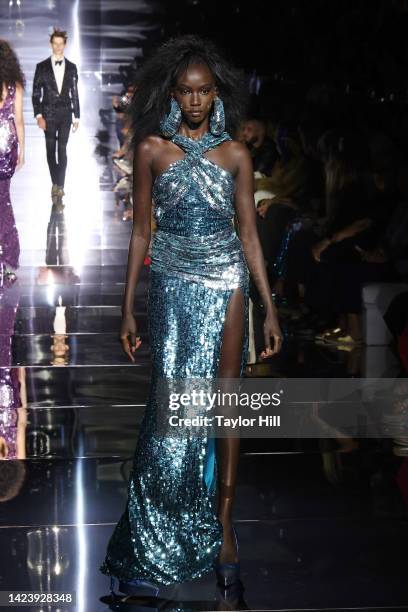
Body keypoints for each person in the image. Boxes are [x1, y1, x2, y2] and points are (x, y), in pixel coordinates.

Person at [100, 35, 282, 600]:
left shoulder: (236, 156)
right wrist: (127, 306)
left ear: (217, 93)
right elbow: (140, 232)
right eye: (186, 91)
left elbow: (249, 234)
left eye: (204, 91)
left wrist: (269, 309)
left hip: (227, 280)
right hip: (173, 285)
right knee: (170, 407)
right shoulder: (152, 149)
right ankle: (156, 537)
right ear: (172, 94)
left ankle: (224, 528)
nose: (196, 100)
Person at [32, 29, 80, 207]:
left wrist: (77, 117)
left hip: (66, 114)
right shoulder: (41, 67)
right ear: (51, 44)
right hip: (48, 115)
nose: (58, 47)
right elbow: (36, 93)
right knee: (51, 151)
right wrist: (38, 115)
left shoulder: (72, 67)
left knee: (62, 150)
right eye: (55, 43)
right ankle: (55, 183)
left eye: (61, 43)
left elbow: (74, 93)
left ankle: (60, 185)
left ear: (65, 45)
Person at [0, 39, 25, 285]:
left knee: (3, 202)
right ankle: (9, 260)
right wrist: (23, 150)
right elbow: (18, 121)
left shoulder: (13, 87)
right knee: (4, 201)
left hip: (4, 148)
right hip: (6, 147)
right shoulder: (14, 87)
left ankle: (7, 260)